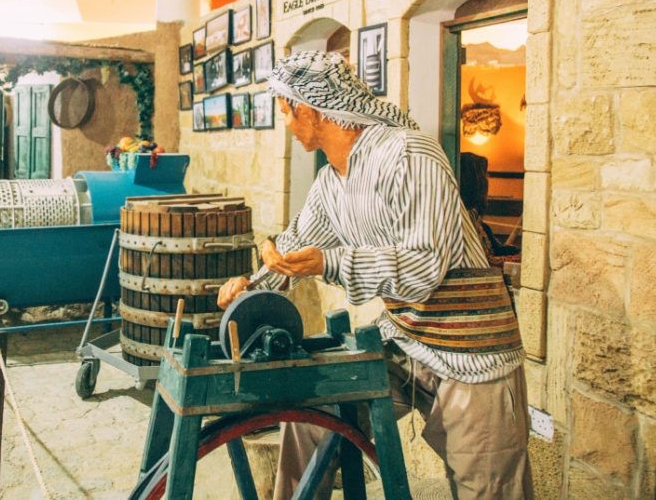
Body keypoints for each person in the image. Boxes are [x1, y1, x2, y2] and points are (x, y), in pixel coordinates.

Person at [218, 51, 533, 499]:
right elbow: (293, 246)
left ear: (311, 108)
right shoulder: (332, 183)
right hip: (405, 337)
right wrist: (253, 285)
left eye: (286, 110)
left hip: (471, 350)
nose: (285, 122)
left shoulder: (408, 153)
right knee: (310, 418)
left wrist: (331, 263)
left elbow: (424, 267)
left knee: (488, 485)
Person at [459, 151, 521, 268]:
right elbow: (485, 261)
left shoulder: (478, 221)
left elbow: (498, 250)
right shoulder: (463, 217)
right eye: (485, 175)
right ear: (475, 181)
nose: (487, 180)